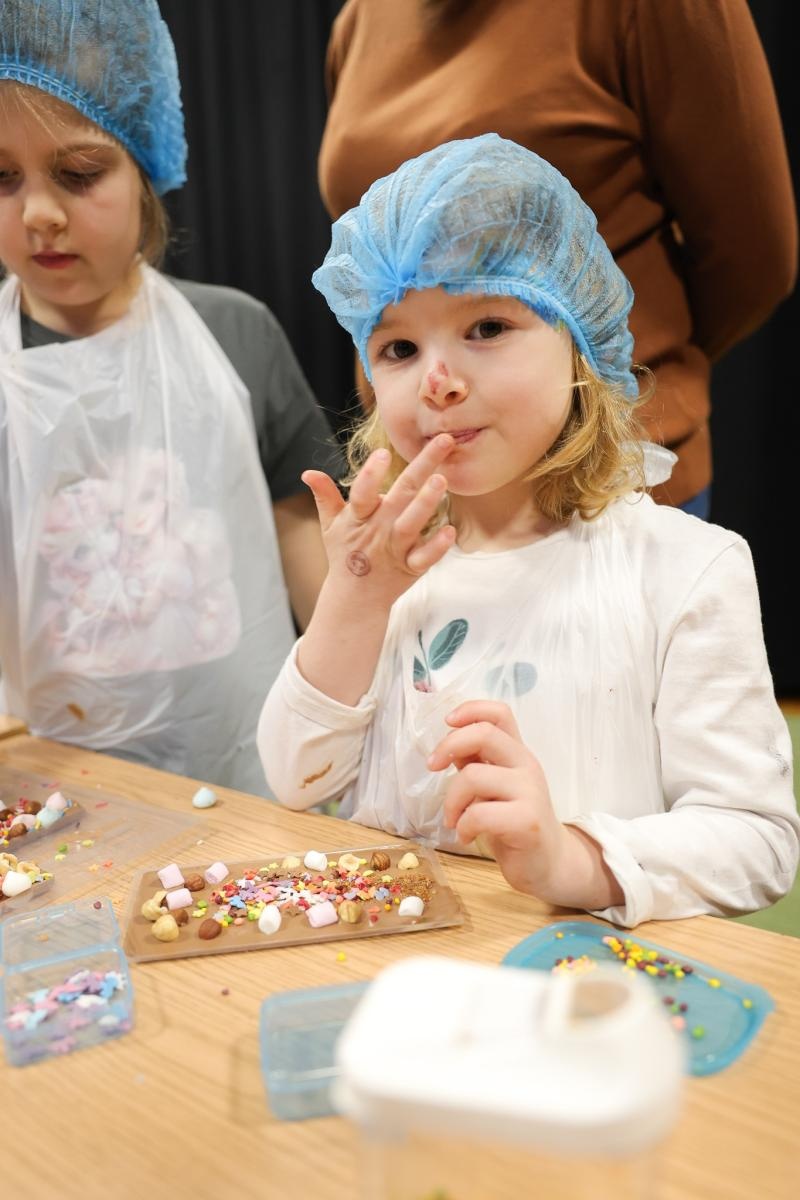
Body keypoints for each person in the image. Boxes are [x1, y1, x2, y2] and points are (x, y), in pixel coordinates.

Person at [258, 134, 799, 926]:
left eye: (486, 327)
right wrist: (353, 601)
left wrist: (570, 857)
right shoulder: (398, 573)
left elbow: (756, 842)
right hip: (409, 990)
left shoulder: (683, 569)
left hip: (582, 999)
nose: (438, 381)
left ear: (579, 345)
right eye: (400, 347)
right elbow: (294, 777)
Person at [0, 0, 341, 795]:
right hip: (46, 792)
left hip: (247, 779)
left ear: (146, 165)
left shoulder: (236, 336)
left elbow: (315, 571)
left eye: (80, 175)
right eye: (1, 176)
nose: (41, 213)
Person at [317, 0, 798, 518]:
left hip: (605, 483)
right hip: (429, 484)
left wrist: (610, 367)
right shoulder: (362, 20)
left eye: (490, 328)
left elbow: (752, 260)